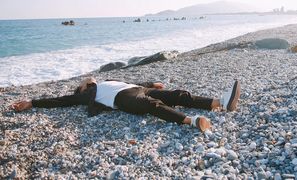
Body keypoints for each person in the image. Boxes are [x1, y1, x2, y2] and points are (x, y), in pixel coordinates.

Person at [11, 78, 241, 132]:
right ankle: (192, 121)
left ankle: (220, 103)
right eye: (86, 82)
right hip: (122, 99)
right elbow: (61, 101)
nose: (89, 81)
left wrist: (152, 83)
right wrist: (32, 102)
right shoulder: (88, 94)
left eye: (89, 80)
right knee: (152, 105)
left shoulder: (106, 81)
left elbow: (135, 83)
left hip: (136, 89)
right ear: (84, 88)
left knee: (178, 94)